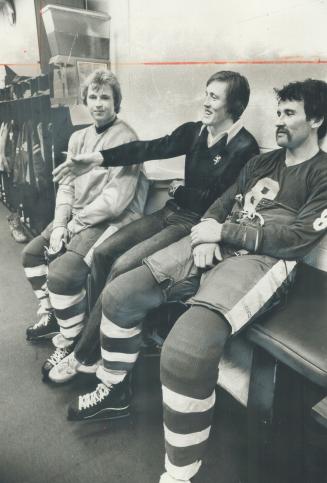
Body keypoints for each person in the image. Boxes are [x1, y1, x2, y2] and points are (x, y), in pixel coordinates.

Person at [66, 79, 327, 483]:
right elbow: (225, 201)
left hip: (264, 261)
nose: (279, 121)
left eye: (289, 114)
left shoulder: (322, 173)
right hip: (213, 239)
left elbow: (296, 240)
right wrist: (208, 225)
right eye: (278, 112)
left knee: (182, 352)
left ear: (317, 119)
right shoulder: (263, 162)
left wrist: (223, 234)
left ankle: (178, 474)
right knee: (120, 294)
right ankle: (113, 390)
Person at [49, 70, 259, 381]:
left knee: (122, 266)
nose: (205, 101)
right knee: (105, 253)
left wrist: (179, 190)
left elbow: (215, 200)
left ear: (234, 104)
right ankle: (94, 341)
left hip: (192, 224)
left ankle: (84, 353)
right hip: (170, 212)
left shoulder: (245, 148)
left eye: (214, 97)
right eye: (206, 93)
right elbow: (148, 148)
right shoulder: (195, 131)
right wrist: (96, 158)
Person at [22, 69, 149, 379]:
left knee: (63, 275)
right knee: (32, 255)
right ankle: (57, 315)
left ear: (116, 101)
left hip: (113, 221)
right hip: (77, 218)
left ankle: (71, 339)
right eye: (93, 97)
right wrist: (61, 223)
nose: (98, 103)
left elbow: (115, 201)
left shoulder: (127, 138)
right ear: (85, 100)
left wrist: (75, 223)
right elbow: (66, 185)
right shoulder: (78, 137)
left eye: (105, 97)